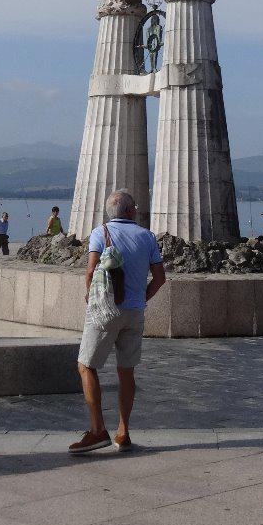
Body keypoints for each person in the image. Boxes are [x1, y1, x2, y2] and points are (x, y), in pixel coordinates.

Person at [70, 190, 166, 455]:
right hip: (134, 312)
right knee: (126, 371)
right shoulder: (147, 236)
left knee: (86, 365)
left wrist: (92, 299)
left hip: (106, 311)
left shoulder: (100, 233)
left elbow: (90, 270)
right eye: (134, 206)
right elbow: (159, 278)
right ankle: (123, 431)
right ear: (129, 211)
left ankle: (98, 429)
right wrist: (142, 298)